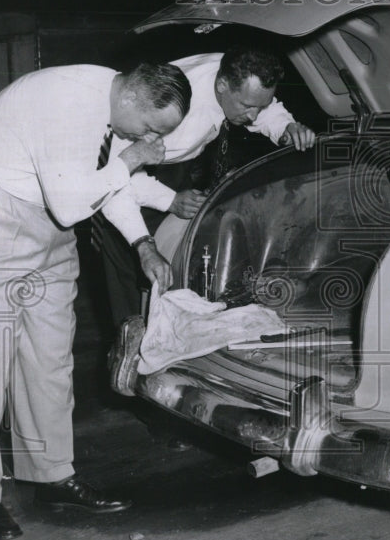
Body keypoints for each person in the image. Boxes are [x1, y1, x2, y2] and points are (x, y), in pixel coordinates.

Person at [0, 61, 192, 540]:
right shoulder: (68, 102)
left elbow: (105, 185)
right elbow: (74, 201)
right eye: (153, 129)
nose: (152, 141)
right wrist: (131, 159)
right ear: (134, 98)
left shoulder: (114, 104)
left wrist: (143, 244)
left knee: (51, 355)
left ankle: (51, 473)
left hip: (46, 217)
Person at [97, 40, 316, 329]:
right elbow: (115, 173)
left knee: (180, 263)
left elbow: (262, 107)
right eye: (246, 106)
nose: (252, 116)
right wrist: (170, 199)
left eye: (258, 107)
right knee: (133, 275)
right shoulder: (168, 102)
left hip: (178, 167)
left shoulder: (238, 73)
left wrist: (285, 127)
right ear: (223, 85)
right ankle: (132, 350)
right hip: (126, 176)